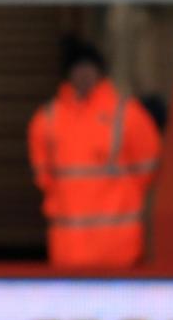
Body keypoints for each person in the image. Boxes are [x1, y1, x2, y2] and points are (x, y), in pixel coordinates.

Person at [28, 44, 162, 267]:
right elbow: (43, 175)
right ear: (68, 74)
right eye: (77, 68)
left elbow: (149, 168)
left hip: (119, 248)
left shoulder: (128, 114)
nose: (83, 74)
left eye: (88, 67)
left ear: (100, 71)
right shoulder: (47, 119)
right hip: (69, 247)